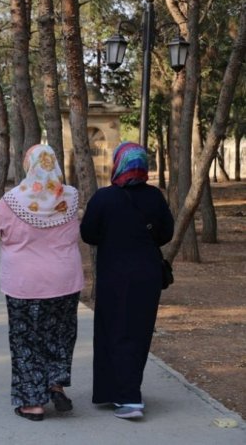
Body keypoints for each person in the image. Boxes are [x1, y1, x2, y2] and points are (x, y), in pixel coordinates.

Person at [0, 145, 83, 422]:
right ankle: (55, 384)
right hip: (65, 280)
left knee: (26, 340)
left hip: (24, 283)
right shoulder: (70, 197)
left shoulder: (14, 200)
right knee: (59, 335)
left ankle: (32, 403)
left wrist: (8, 237)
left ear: (29, 166)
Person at [80, 142, 174, 420]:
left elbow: (88, 234)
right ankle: (122, 391)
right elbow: (165, 233)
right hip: (146, 276)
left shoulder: (103, 198)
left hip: (114, 275)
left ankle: (128, 397)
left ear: (118, 164)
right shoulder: (154, 197)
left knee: (113, 330)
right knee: (138, 332)